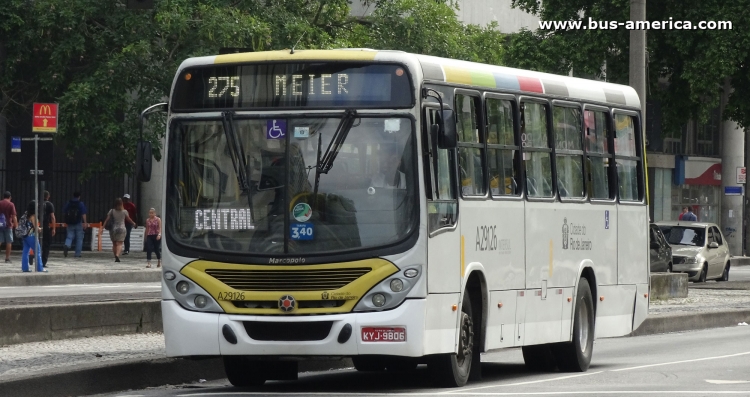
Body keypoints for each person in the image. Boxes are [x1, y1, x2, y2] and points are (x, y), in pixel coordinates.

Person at [103, 198, 135, 262]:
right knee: (120, 243)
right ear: (122, 204)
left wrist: (103, 227)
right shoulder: (124, 211)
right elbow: (129, 219)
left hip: (113, 229)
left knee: (114, 243)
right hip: (122, 228)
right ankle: (117, 255)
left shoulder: (111, 211)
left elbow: (107, 220)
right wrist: (134, 223)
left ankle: (115, 256)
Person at [20, 201, 45, 273]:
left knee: (25, 251)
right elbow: (36, 227)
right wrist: (40, 229)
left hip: (25, 235)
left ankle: (25, 268)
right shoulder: (33, 216)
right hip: (31, 235)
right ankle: (39, 268)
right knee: (37, 251)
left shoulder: (25, 214)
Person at [62, 192, 88, 258]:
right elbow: (83, 213)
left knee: (69, 236)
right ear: (79, 196)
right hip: (78, 222)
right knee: (79, 238)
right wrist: (85, 222)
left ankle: (67, 245)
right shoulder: (80, 204)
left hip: (70, 223)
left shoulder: (69, 203)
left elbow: (64, 211)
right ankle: (77, 254)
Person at [0, 191, 17, 263]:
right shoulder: (11, 204)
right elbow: (14, 216)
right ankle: (7, 258)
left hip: (0, 224)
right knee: (9, 242)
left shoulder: (0, 203)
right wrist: (16, 225)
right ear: (10, 197)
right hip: (8, 225)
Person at [41, 191, 55, 267]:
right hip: (46, 226)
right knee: (46, 245)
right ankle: (43, 262)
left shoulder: (37, 203)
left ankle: (33, 256)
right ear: (48, 196)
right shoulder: (49, 204)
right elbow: (52, 217)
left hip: (36, 225)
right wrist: (53, 228)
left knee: (37, 243)